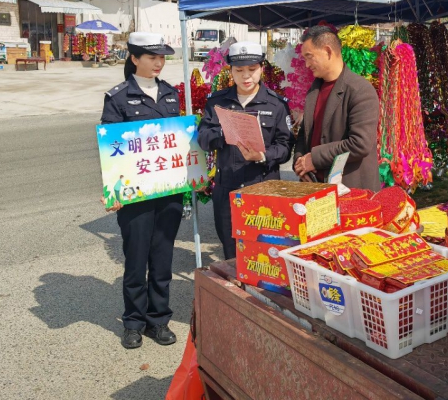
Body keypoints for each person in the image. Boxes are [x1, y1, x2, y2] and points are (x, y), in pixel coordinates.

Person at [100, 32, 184, 350]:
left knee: (162, 259)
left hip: (167, 192)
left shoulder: (171, 94)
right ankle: (133, 322)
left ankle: (158, 320)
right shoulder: (118, 97)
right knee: (136, 260)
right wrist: (113, 190)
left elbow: (178, 141)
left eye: (162, 57)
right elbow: (110, 148)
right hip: (135, 195)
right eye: (152, 57)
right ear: (134, 59)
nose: (159, 62)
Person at [198, 42, 294, 259]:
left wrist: (263, 155)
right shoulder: (217, 102)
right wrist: (224, 134)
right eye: (239, 70)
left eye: (252, 69)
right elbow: (203, 138)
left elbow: (285, 147)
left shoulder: (276, 104)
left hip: (263, 187)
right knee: (232, 252)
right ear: (230, 70)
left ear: (261, 68)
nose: (246, 76)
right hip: (227, 188)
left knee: (265, 252)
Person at [293, 25, 380, 192]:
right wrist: (300, 162)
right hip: (315, 187)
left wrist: (314, 159)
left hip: (351, 189)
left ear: (328, 51)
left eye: (309, 57)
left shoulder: (359, 89)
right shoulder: (314, 89)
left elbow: (359, 144)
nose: (306, 65)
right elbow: (305, 134)